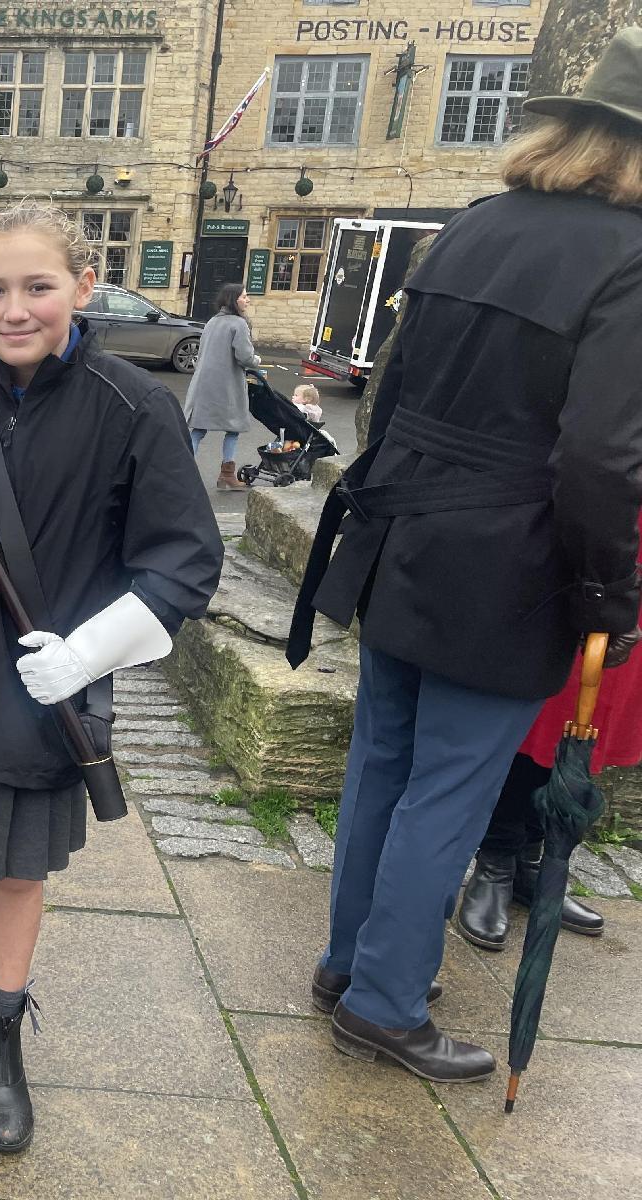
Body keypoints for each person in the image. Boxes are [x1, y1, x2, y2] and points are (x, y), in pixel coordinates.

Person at [290, 30, 642, 1086]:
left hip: (403, 535)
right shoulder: (631, 260)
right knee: (447, 786)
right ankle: (384, 1005)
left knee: (382, 767)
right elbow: (601, 456)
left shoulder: (475, 223)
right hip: (508, 565)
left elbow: (387, 396)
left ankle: (352, 962)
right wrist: (607, 595)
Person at [0, 201, 222, 1155]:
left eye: (38, 286)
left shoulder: (134, 406)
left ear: (82, 285)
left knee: (19, 871)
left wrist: (87, 654)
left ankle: (2, 1039)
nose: (15, 308)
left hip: (42, 694)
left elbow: (184, 561)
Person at [457, 504, 642, 949]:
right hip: (600, 537)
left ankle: (531, 862)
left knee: (591, 719)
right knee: (544, 713)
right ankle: (496, 860)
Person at [185, 282, 260, 492]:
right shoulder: (239, 324)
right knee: (233, 428)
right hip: (227, 385)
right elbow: (245, 357)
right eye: (244, 296)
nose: (247, 300)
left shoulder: (212, 321)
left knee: (198, 429)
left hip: (203, 383)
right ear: (234, 299)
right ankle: (227, 474)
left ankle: (182, 471)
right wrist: (257, 360)